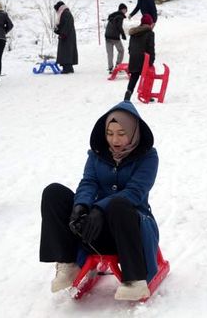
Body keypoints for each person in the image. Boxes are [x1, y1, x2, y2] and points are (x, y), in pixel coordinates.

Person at [40, 101, 161, 301]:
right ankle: (68, 263)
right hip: (96, 229)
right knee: (54, 193)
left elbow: (135, 192)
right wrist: (81, 207)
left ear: (133, 132)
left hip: (131, 228)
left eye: (122, 133)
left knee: (119, 203)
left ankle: (135, 280)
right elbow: (89, 182)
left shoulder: (148, 157)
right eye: (110, 133)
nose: (114, 139)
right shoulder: (97, 155)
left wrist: (99, 209)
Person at [124, 14, 155, 101]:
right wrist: (151, 61)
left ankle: (128, 93)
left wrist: (132, 55)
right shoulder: (150, 33)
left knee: (134, 75)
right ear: (149, 23)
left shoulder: (134, 32)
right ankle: (146, 94)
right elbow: (150, 48)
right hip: (144, 59)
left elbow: (130, 47)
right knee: (148, 75)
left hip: (134, 58)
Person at [53, 1, 78, 74]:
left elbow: (67, 25)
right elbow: (63, 25)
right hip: (67, 36)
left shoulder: (65, 13)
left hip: (67, 37)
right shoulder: (64, 13)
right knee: (66, 52)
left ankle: (67, 69)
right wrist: (57, 30)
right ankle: (67, 68)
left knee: (66, 52)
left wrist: (63, 34)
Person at [105, 3, 128, 73]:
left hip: (107, 36)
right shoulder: (120, 16)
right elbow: (119, 26)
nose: (126, 11)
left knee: (110, 53)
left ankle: (110, 68)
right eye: (125, 10)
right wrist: (123, 34)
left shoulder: (112, 15)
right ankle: (118, 65)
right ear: (123, 9)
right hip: (114, 37)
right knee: (121, 50)